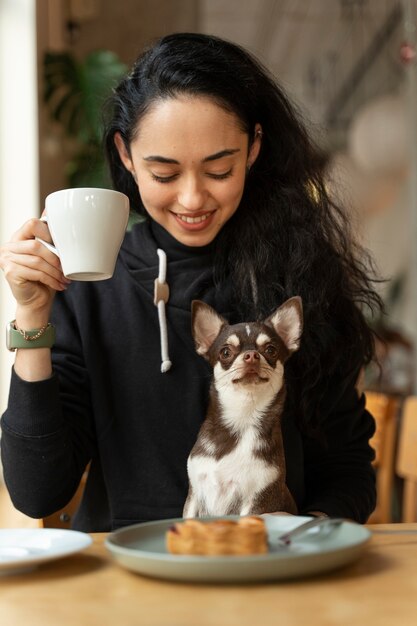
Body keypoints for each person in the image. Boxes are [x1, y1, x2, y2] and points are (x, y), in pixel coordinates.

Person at [0, 33, 382, 532]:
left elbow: (347, 469)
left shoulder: (300, 276)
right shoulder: (88, 286)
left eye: (218, 169)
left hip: (263, 580)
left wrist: (301, 538)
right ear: (126, 155)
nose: (192, 197)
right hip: (124, 587)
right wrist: (31, 316)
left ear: (253, 150)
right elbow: (37, 492)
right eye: (164, 173)